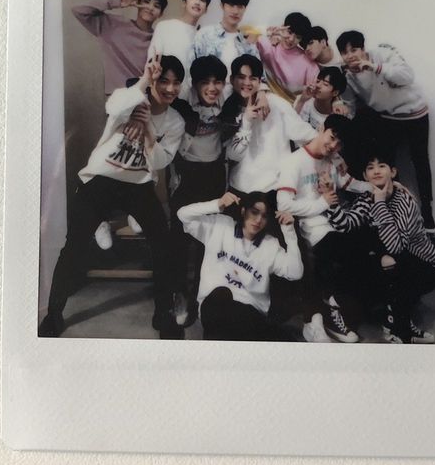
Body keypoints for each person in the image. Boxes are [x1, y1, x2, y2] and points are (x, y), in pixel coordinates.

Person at [37, 55, 186, 340]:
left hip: (138, 185)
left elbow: (159, 163)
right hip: (101, 180)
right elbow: (113, 106)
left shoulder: (174, 121)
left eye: (176, 83)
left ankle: (163, 313)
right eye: (163, 80)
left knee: (163, 244)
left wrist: (148, 133)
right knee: (74, 247)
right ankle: (53, 314)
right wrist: (143, 81)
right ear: (152, 80)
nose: (169, 88)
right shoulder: (129, 101)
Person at [325, 146, 435, 344]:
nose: (377, 171)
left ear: (393, 172)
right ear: (365, 175)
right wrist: (332, 203)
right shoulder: (366, 198)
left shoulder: (405, 200)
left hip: (424, 264)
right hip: (395, 257)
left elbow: (397, 246)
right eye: (370, 168)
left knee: (392, 263)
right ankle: (397, 322)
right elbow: (345, 224)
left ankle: (399, 324)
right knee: (369, 257)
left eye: (382, 166)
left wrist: (379, 203)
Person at [276, 115, 371, 343]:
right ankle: (330, 313)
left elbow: (351, 184)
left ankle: (337, 308)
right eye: (331, 138)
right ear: (321, 128)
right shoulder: (294, 162)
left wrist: (381, 186)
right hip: (314, 229)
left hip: (336, 222)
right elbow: (284, 204)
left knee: (366, 246)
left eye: (339, 144)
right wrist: (323, 203)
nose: (333, 146)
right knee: (343, 251)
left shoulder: (331, 160)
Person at [336, 30, 435, 232]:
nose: (350, 56)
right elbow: (351, 105)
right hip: (388, 119)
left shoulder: (381, 54)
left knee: (419, 161)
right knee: (388, 164)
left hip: (415, 113)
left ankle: (427, 210)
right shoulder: (347, 74)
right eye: (345, 52)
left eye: (354, 49)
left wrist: (374, 67)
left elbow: (407, 76)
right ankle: (395, 212)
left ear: (363, 49)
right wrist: (342, 108)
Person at [177, 192, 303, 341]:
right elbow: (183, 214)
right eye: (254, 212)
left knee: (228, 328)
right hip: (213, 306)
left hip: (249, 313)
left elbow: (296, 273)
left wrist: (289, 233)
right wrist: (217, 203)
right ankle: (272, 334)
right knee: (221, 294)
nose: (258, 220)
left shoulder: (270, 245)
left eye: (264, 216)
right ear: (243, 211)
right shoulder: (220, 226)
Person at [168, 56, 229, 328]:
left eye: (218, 81)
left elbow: (256, 91)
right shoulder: (181, 105)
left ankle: (200, 296)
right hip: (186, 175)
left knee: (209, 240)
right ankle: (179, 294)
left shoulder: (229, 104)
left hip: (214, 175)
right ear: (194, 84)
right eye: (206, 82)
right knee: (178, 239)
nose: (213, 87)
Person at [223, 55, 316, 195]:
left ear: (259, 81)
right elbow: (233, 155)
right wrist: (246, 122)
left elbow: (307, 135)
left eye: (253, 78)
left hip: (274, 187)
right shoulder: (227, 108)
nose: (246, 83)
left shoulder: (277, 104)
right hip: (241, 187)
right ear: (232, 80)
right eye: (241, 77)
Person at [71, 0, 168, 95]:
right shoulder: (113, 25)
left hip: (146, 98)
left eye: (156, 6)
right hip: (117, 99)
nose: (150, 7)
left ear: (160, 13)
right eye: (146, 2)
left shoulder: (159, 40)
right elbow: (79, 10)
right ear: (137, 3)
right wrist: (116, 2)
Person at [149, 0, 211, 98]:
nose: (197, 2)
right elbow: (152, 61)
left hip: (191, 97)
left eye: (202, 0)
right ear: (184, 3)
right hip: (164, 93)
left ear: (206, 9)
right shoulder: (165, 26)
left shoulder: (204, 36)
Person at [193, 0, 259, 76]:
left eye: (240, 6)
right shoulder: (205, 35)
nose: (235, 11)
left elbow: (258, 74)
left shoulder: (247, 42)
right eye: (231, 5)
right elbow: (192, 71)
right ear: (222, 6)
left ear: (245, 9)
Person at [255, 12, 320, 102]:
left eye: (298, 37)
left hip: (289, 109)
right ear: (282, 27)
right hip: (260, 99)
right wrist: (267, 33)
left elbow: (315, 94)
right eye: (289, 32)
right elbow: (243, 39)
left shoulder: (308, 64)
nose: (291, 39)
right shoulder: (268, 43)